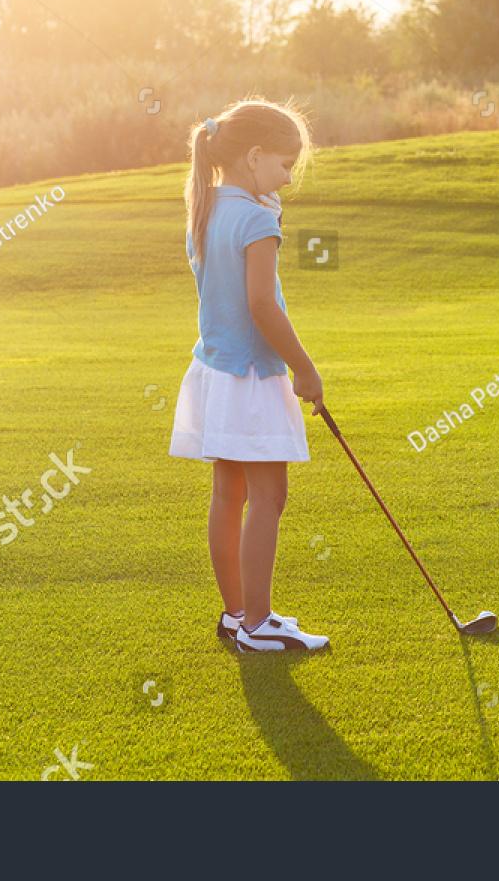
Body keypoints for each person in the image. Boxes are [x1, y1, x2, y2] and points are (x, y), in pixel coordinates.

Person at [169, 98, 330, 651]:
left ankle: (238, 615)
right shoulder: (258, 218)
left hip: (216, 371)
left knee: (228, 492)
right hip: (254, 376)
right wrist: (306, 370)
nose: (288, 178)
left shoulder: (207, 206)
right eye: (285, 165)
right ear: (255, 155)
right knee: (270, 494)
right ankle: (259, 627)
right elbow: (264, 305)